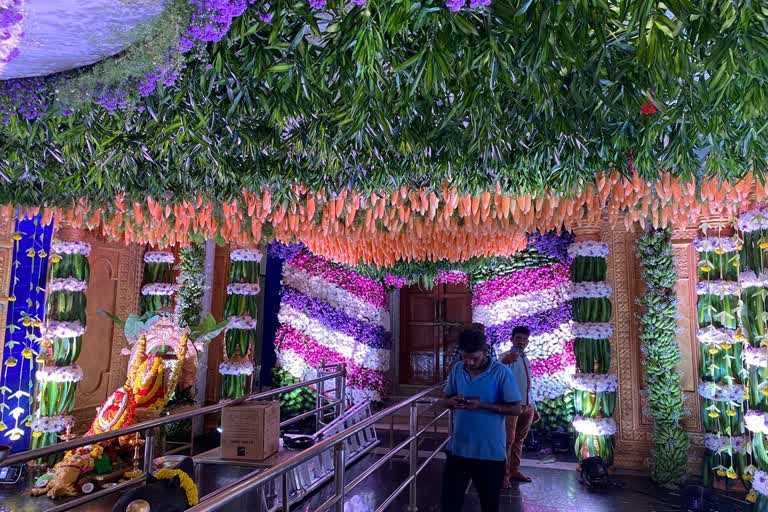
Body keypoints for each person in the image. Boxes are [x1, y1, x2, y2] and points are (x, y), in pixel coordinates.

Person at [439, 327, 522, 512]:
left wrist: (482, 405)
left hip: (490, 454)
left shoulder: (501, 373)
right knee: (449, 504)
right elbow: (444, 399)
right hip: (458, 450)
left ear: (485, 351)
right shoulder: (458, 369)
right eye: (464, 357)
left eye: (474, 358)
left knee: (489, 505)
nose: (469, 362)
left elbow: (516, 408)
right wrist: (451, 402)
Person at [499, 326, 540, 487]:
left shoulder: (526, 359)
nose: (521, 342)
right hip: (511, 406)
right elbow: (497, 374)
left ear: (528, 342)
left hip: (527, 406)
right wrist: (504, 361)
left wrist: (533, 406)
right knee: (507, 441)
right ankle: (503, 475)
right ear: (511, 339)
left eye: (524, 339)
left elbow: (528, 384)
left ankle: (514, 470)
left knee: (519, 440)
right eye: (518, 338)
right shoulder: (504, 357)